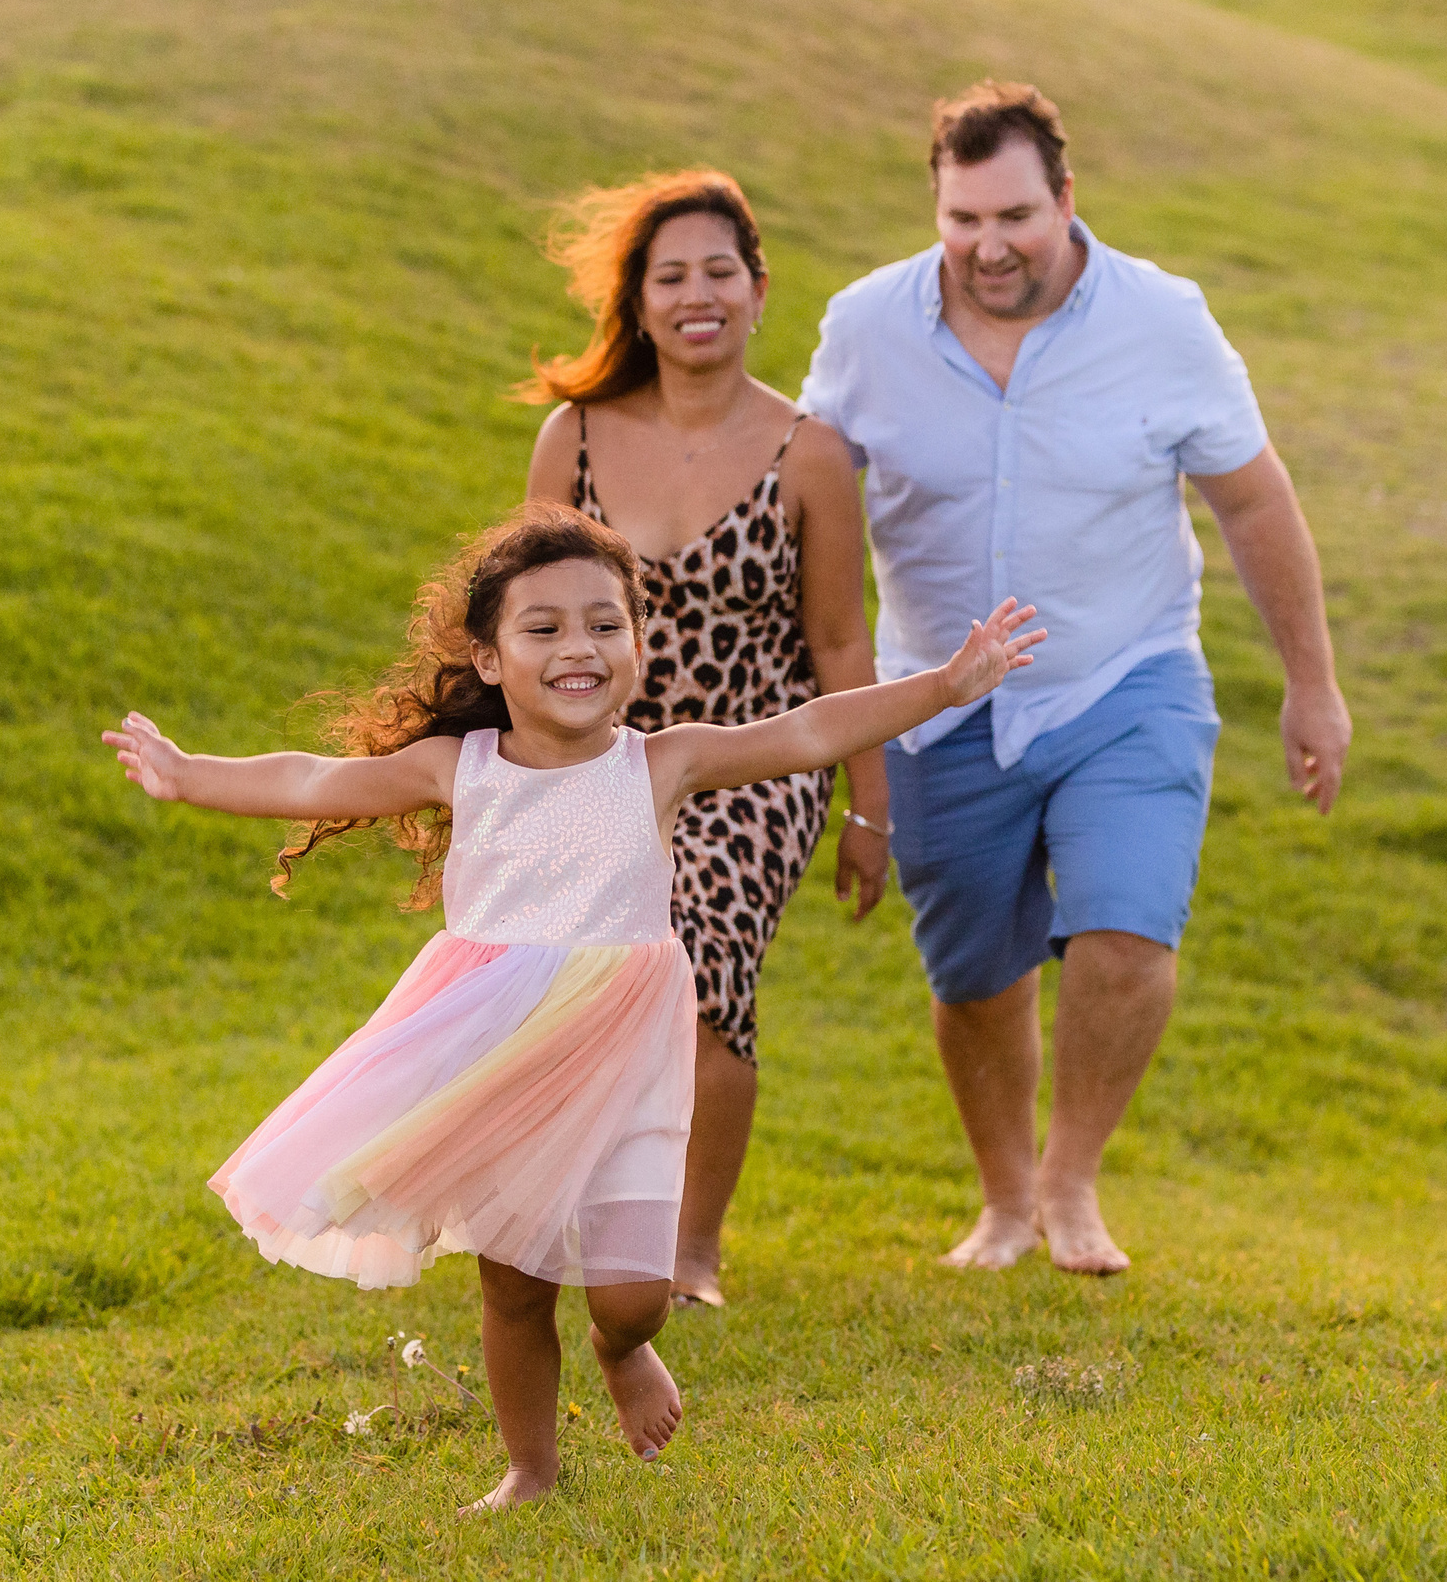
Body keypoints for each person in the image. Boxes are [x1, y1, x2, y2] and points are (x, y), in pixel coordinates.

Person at [98, 504, 1041, 1511]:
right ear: (492, 658)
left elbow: (805, 729)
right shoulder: (456, 770)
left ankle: (618, 1346)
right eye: (542, 629)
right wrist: (190, 776)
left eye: (604, 624)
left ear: (638, 644)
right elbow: (318, 778)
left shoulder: (661, 763)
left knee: (635, 1295)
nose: (577, 648)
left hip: (628, 1047)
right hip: (498, 1052)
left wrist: (946, 684)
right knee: (511, 1284)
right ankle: (530, 1470)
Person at [800, 80, 1351, 1277]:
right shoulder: (864, 327)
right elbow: (809, 504)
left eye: (1013, 217)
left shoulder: (1161, 319)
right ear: (935, 211)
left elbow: (1252, 499)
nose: (988, 247)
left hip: (1126, 675)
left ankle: (1071, 1181)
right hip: (940, 700)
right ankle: (1003, 1202)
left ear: (1064, 200)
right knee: (976, 974)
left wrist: (1311, 684)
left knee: (1127, 933)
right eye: (962, 221)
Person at [522, 168, 889, 1310]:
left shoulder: (811, 453)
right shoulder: (572, 438)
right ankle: (574, 1215)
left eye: (718, 272)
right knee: (583, 982)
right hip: (597, 757)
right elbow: (525, 619)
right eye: (669, 275)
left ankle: (691, 1249)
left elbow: (838, 641)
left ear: (758, 286)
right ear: (636, 301)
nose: (697, 295)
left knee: (698, 966)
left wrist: (869, 807)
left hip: (755, 763)